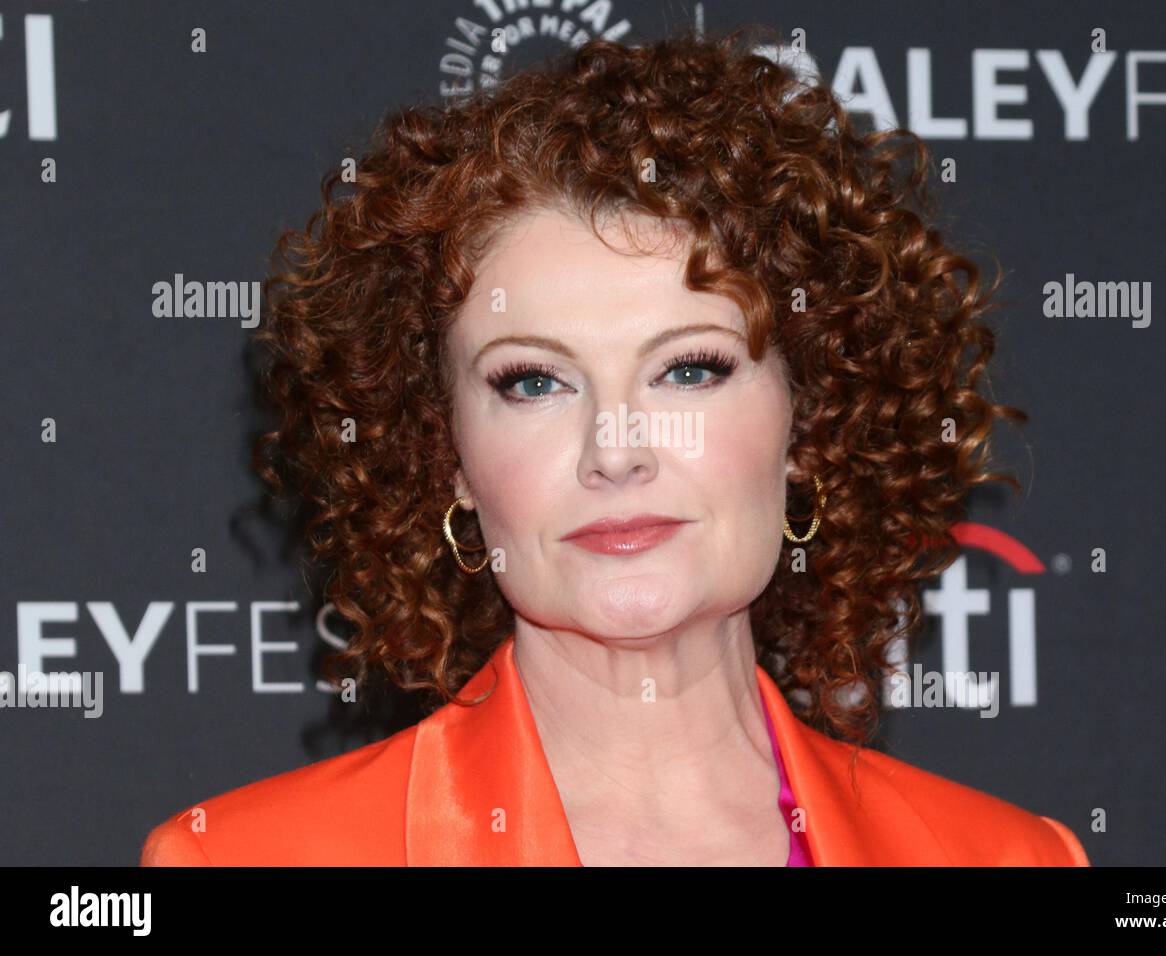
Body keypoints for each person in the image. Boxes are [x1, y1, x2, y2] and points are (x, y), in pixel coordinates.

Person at [140, 26, 1088, 867]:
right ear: (448, 457)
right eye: (534, 382)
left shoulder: (1006, 859)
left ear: (810, 424)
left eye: (690, 369)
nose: (616, 450)